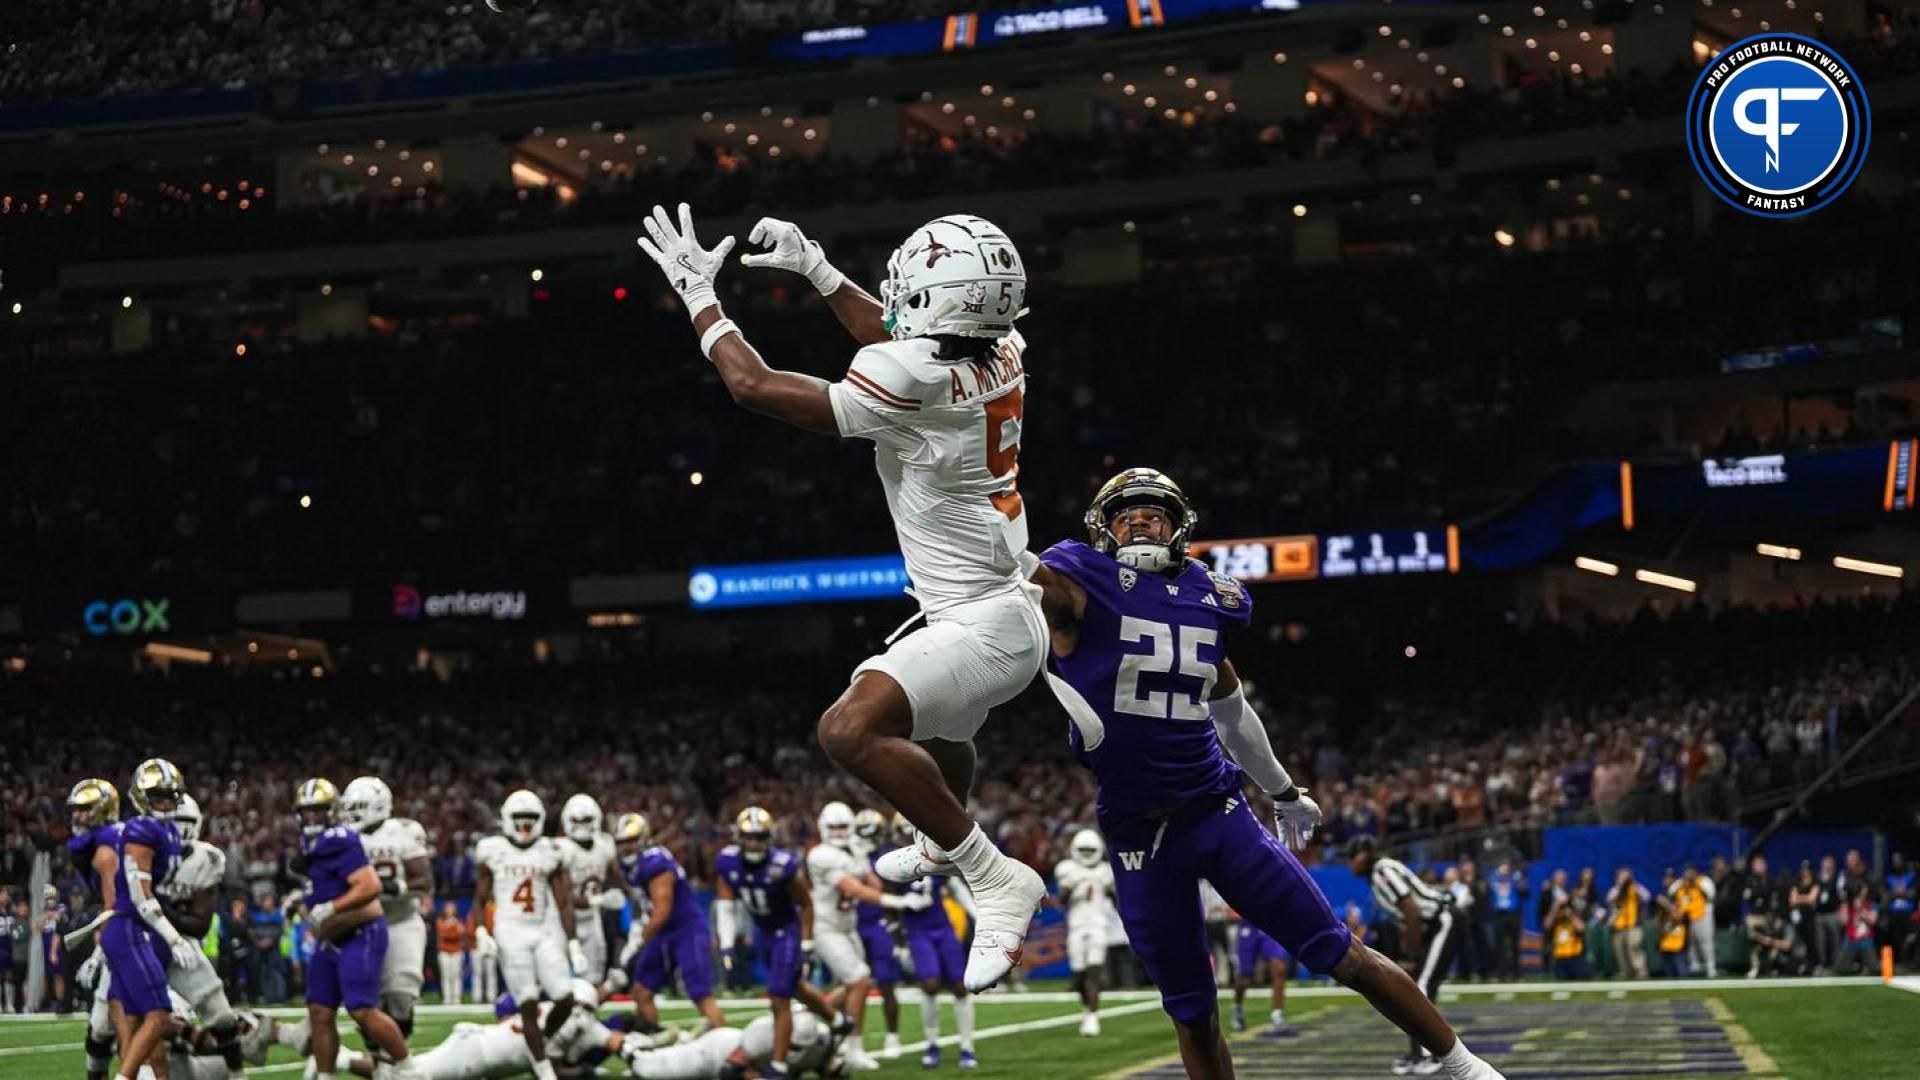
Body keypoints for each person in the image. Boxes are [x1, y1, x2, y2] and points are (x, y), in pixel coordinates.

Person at [636, 205, 1048, 991]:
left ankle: (994, 878)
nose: (897, 291)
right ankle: (937, 843)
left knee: (849, 728)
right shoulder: (1007, 349)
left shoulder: (918, 376)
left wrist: (699, 297)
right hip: (996, 604)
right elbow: (901, 337)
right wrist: (820, 272)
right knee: (944, 737)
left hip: (983, 624)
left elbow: (754, 387)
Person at [1025, 469, 1502, 1080]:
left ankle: (1467, 1068)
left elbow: (1233, 712)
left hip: (1215, 813)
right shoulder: (1077, 584)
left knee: (1340, 952)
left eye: (1152, 512)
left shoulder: (1209, 597)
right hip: (1137, 834)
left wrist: (1282, 791)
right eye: (1124, 515)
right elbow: (1014, 569)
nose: (1138, 521)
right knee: (1193, 1013)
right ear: (1102, 531)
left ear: (1178, 527)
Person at [291, 777, 420, 1080]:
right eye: (306, 811)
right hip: (330, 937)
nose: (312, 818)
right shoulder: (311, 842)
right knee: (320, 1012)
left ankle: (410, 1071)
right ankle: (326, 1075)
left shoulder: (340, 838)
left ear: (333, 811)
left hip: (358, 933)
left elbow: (370, 886)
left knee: (362, 1009)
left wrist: (331, 908)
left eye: (319, 811)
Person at [714, 806, 850, 1076]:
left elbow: (806, 905)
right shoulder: (727, 861)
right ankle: (836, 1019)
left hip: (786, 932)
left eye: (759, 837)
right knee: (794, 987)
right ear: (739, 837)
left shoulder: (783, 865)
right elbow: (726, 903)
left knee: (779, 996)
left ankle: (778, 1064)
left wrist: (807, 943)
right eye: (748, 837)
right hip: (762, 932)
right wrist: (727, 942)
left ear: (769, 837)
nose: (753, 843)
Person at [473, 789, 579, 1080]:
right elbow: (480, 899)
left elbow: (564, 901)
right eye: (518, 818)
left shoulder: (551, 850)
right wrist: (482, 930)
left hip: (542, 931)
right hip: (510, 931)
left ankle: (538, 1046)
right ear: (507, 819)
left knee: (566, 998)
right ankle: (545, 1071)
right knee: (528, 1002)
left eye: (530, 818)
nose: (524, 824)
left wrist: (572, 942)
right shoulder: (493, 850)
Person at [807, 801, 922, 1069]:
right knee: (859, 980)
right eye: (833, 827)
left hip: (847, 926)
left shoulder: (853, 850)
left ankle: (810, 1010)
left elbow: (871, 880)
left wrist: (876, 870)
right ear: (823, 828)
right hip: (826, 927)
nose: (837, 832)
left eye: (842, 827)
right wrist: (897, 903)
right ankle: (853, 1048)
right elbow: (854, 889)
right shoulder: (821, 855)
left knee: (855, 983)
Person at [100, 759, 195, 1080]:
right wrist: (173, 936)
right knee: (158, 1013)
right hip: (131, 928)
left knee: (137, 1018)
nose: (167, 803)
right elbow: (140, 897)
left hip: (134, 929)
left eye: (171, 796)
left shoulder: (166, 831)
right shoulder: (142, 830)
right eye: (159, 796)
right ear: (142, 797)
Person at [157, 793, 249, 1075]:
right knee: (115, 1025)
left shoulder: (203, 859)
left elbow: (199, 925)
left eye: (184, 822)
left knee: (220, 1015)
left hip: (184, 948)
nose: (178, 829)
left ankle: (235, 1071)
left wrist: (156, 909)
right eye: (173, 822)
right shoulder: (141, 854)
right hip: (145, 948)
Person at [613, 812, 726, 1034]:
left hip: (686, 928)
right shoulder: (627, 865)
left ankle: (726, 1048)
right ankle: (654, 1046)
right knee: (642, 992)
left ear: (644, 839)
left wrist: (638, 942)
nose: (626, 848)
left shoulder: (655, 861)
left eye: (632, 841)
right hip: (662, 932)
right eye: (622, 842)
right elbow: (644, 902)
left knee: (700, 993)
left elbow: (663, 910)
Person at [340, 776, 434, 1036]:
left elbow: (425, 882)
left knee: (401, 999)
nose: (351, 813)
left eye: (358, 806)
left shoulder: (404, 831)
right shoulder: (343, 838)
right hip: (362, 925)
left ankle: (396, 1059)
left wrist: (394, 887)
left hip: (401, 922)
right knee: (367, 1004)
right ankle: (380, 1065)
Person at [66, 777, 124, 1076]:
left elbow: (115, 908)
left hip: (132, 943)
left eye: (85, 809)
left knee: (123, 1031)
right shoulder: (104, 843)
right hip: (123, 939)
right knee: (100, 1032)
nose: (77, 815)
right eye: (76, 809)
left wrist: (97, 956)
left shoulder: (106, 851)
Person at [850, 809, 907, 1058]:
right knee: (850, 984)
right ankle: (849, 1040)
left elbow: (890, 892)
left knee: (886, 984)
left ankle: (893, 1037)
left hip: (878, 923)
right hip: (851, 924)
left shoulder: (886, 858)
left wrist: (896, 933)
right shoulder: (846, 856)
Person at [1055, 828, 1118, 1037]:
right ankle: (1087, 1009)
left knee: (1094, 971)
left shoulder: (1106, 871)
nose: (1087, 853)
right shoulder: (1068, 869)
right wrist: (1071, 886)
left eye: (1091, 849)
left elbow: (1117, 901)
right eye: (1083, 849)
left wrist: (1110, 890)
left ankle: (1092, 1016)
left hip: (1098, 925)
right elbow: (1061, 901)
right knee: (1079, 975)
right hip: (1076, 926)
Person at [555, 795, 622, 988]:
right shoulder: (562, 849)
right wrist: (599, 900)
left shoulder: (605, 845)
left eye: (586, 820)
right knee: (558, 980)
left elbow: (616, 876)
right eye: (577, 821)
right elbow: (563, 898)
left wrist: (632, 893)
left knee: (593, 978)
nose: (582, 825)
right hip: (562, 921)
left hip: (591, 919)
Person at [1607, 868, 1651, 979]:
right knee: (1620, 950)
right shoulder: (1615, 890)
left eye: (1626, 876)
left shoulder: (1635, 888)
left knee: (1634, 947)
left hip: (1634, 924)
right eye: (1622, 876)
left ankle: (1640, 971)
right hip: (1619, 926)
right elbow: (1609, 899)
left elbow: (1647, 896)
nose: (1624, 879)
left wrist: (1633, 885)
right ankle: (1625, 972)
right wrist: (1620, 886)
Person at [435, 902, 467, 1004]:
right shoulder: (440, 921)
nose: (450, 910)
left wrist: (452, 929)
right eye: (448, 908)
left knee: (456, 976)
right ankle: (447, 998)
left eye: (452, 908)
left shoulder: (458, 921)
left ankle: (456, 998)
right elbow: (445, 933)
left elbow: (459, 934)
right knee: (446, 976)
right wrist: (451, 927)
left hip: (457, 951)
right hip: (444, 952)